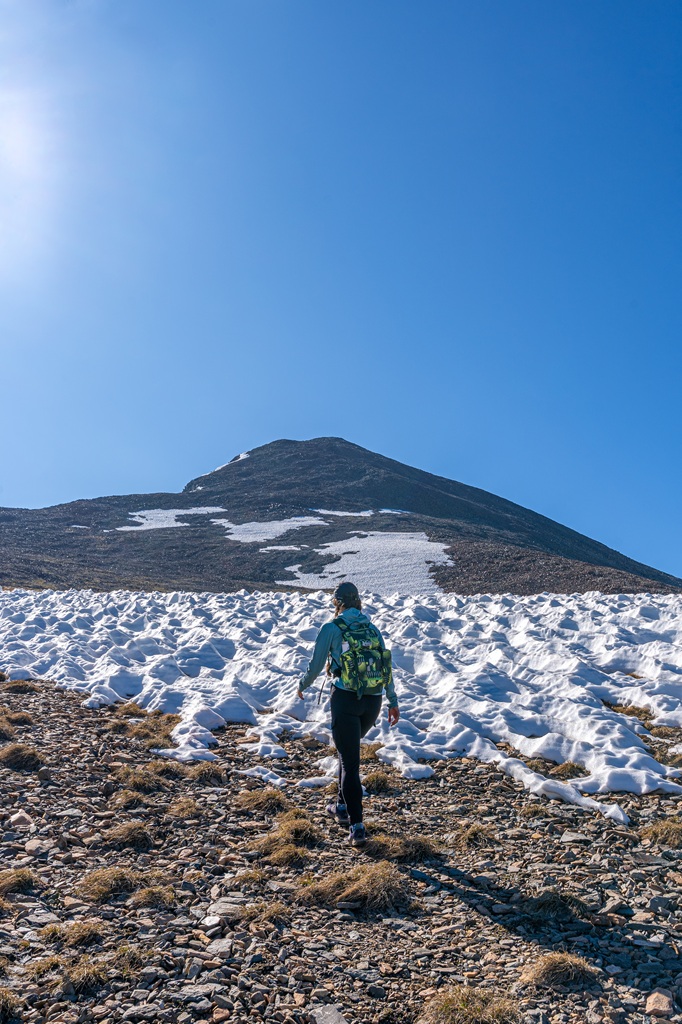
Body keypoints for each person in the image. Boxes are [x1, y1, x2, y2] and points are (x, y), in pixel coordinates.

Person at [297, 581, 400, 847]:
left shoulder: (331, 628)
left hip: (345, 699)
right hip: (372, 701)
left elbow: (317, 664)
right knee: (348, 752)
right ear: (358, 602)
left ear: (337, 603)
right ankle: (342, 808)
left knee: (350, 761)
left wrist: (302, 685)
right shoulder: (371, 628)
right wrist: (392, 701)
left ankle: (356, 825)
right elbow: (385, 665)